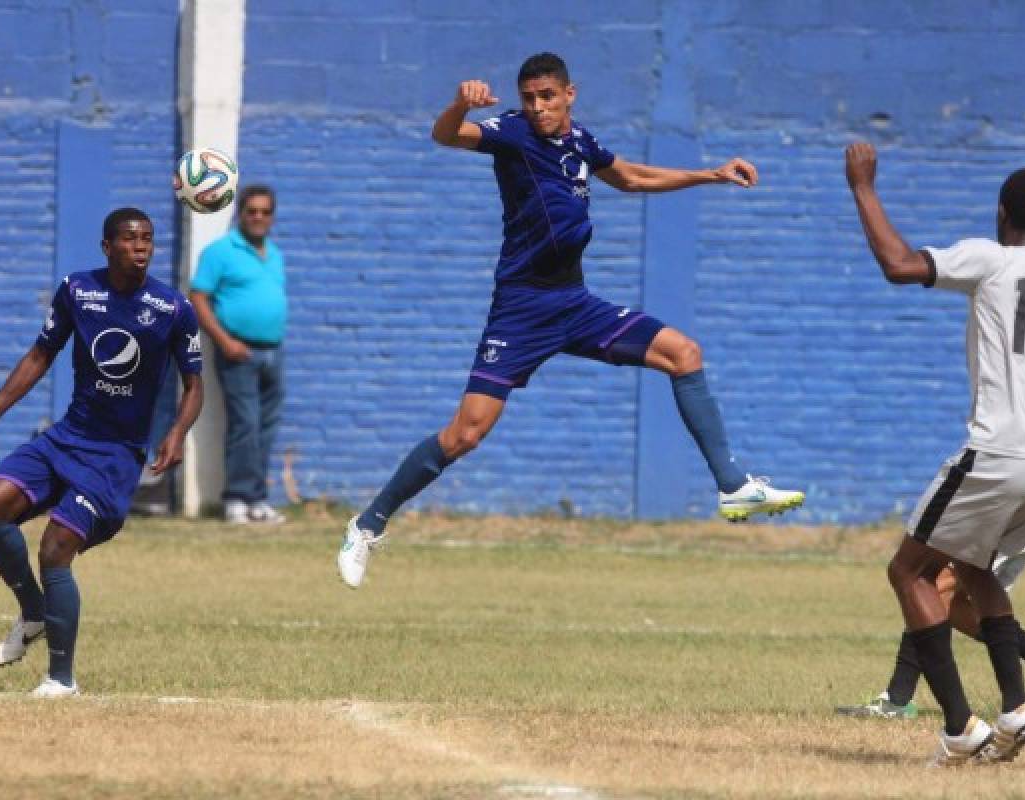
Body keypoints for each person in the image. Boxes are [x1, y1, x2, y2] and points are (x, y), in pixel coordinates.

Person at [338, 52, 804, 588]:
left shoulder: (580, 141)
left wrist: (711, 174)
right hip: (521, 309)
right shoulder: (510, 133)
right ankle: (367, 524)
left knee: (684, 353)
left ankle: (733, 484)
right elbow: (448, 136)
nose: (537, 108)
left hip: (574, 303)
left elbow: (629, 177)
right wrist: (457, 105)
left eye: (547, 97)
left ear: (569, 94)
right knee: (466, 434)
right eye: (529, 98)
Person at [845, 141, 1025, 766]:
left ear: (1002, 213)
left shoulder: (992, 260)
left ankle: (957, 728)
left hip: (997, 451)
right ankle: (1016, 705)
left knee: (909, 572)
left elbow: (898, 264)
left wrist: (864, 187)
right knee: (972, 572)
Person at [0, 208, 204, 697]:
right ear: (107, 246)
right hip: (67, 437)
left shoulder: (173, 309)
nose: (142, 248)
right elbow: (39, 356)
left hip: (114, 457)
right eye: (131, 240)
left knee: (55, 548)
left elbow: (195, 385)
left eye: (148, 240)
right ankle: (32, 612)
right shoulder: (78, 291)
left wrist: (177, 432)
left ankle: (61, 679)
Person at [837, 416, 1025, 720]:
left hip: (1016, 490)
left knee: (933, 583)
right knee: (948, 596)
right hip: (1011, 484)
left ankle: (899, 698)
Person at [189, 185, 287, 525]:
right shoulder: (221, 251)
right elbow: (198, 297)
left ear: (272, 216)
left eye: (265, 211)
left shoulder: (273, 253)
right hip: (238, 350)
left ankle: (258, 499)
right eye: (252, 211)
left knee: (267, 426)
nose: (258, 217)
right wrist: (224, 341)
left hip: (273, 350)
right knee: (245, 424)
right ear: (240, 214)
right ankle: (236, 498)